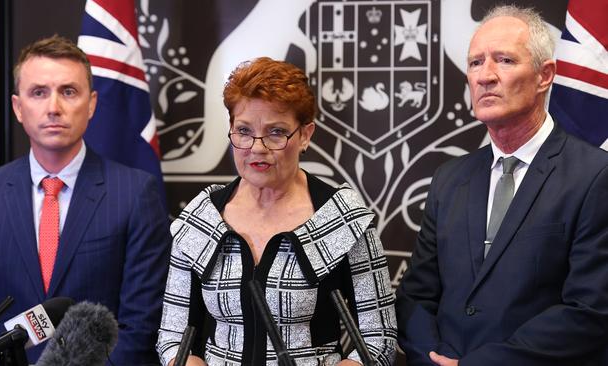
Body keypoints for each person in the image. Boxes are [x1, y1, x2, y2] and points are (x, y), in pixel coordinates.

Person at [395, 5, 608, 366]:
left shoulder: (595, 175)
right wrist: (431, 358)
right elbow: (416, 296)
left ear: (545, 76)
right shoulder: (449, 179)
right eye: (475, 62)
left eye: (504, 60)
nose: (485, 76)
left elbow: (589, 309)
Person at [156, 57, 397, 366]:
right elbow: (172, 336)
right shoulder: (201, 217)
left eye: (275, 132)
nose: (257, 147)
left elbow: (380, 337)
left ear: (305, 135)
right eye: (243, 130)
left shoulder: (343, 217)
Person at [0, 35, 171, 364]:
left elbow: (140, 326)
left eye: (68, 91)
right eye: (39, 92)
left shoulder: (135, 193)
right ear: (18, 107)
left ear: (92, 104)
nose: (53, 107)